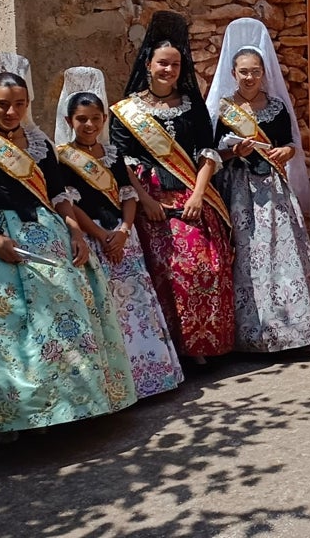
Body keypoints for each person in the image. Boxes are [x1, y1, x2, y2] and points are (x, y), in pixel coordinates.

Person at [0, 54, 134, 439]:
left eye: (19, 104)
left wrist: (76, 233)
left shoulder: (41, 145)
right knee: (3, 327)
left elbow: (60, 196)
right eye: (3, 104)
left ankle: (61, 405)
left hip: (47, 232)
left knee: (61, 321)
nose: (12, 111)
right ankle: (7, 414)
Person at [111, 11, 236, 363]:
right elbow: (120, 162)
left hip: (191, 195)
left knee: (205, 265)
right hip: (148, 200)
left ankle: (203, 346)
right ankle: (171, 349)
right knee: (165, 270)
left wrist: (198, 195)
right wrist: (145, 199)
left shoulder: (192, 106)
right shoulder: (126, 112)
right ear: (148, 65)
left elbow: (207, 153)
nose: (169, 70)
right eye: (162, 64)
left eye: (175, 65)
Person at [54, 67, 184, 398]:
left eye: (96, 118)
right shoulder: (65, 159)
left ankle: (154, 376)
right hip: (97, 240)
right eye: (82, 119)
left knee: (138, 306)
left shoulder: (111, 155)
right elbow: (70, 203)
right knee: (109, 310)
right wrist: (100, 234)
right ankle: (122, 384)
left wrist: (125, 229)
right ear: (70, 121)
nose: (90, 125)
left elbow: (128, 195)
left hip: (124, 239)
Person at [208, 17, 310, 353]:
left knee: (281, 252)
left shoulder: (275, 108)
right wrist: (233, 151)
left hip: (272, 188)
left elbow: (291, 144)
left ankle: (293, 333)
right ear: (233, 73)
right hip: (237, 190)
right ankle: (248, 336)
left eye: (255, 71)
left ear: (264, 73)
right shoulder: (222, 109)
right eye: (243, 71)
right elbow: (212, 153)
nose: (249, 77)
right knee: (245, 254)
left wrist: (284, 151)